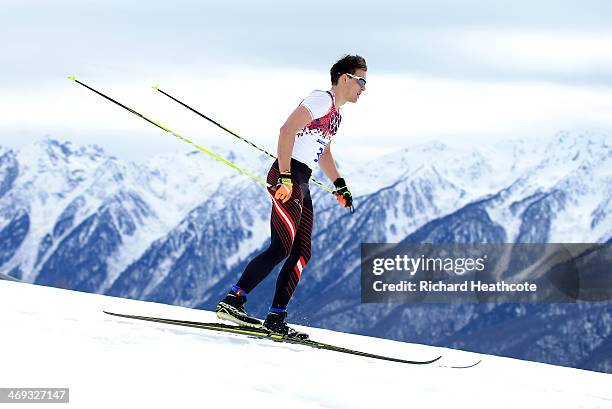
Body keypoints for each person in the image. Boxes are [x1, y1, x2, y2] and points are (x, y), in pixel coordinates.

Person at [215, 54, 367, 339]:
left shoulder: (336, 115)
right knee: (282, 247)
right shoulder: (321, 100)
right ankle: (233, 300)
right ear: (344, 78)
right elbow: (286, 130)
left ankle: (276, 318)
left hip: (302, 180)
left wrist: (340, 184)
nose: (363, 88)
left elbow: (325, 153)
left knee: (300, 252)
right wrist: (284, 175)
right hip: (287, 176)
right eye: (361, 81)